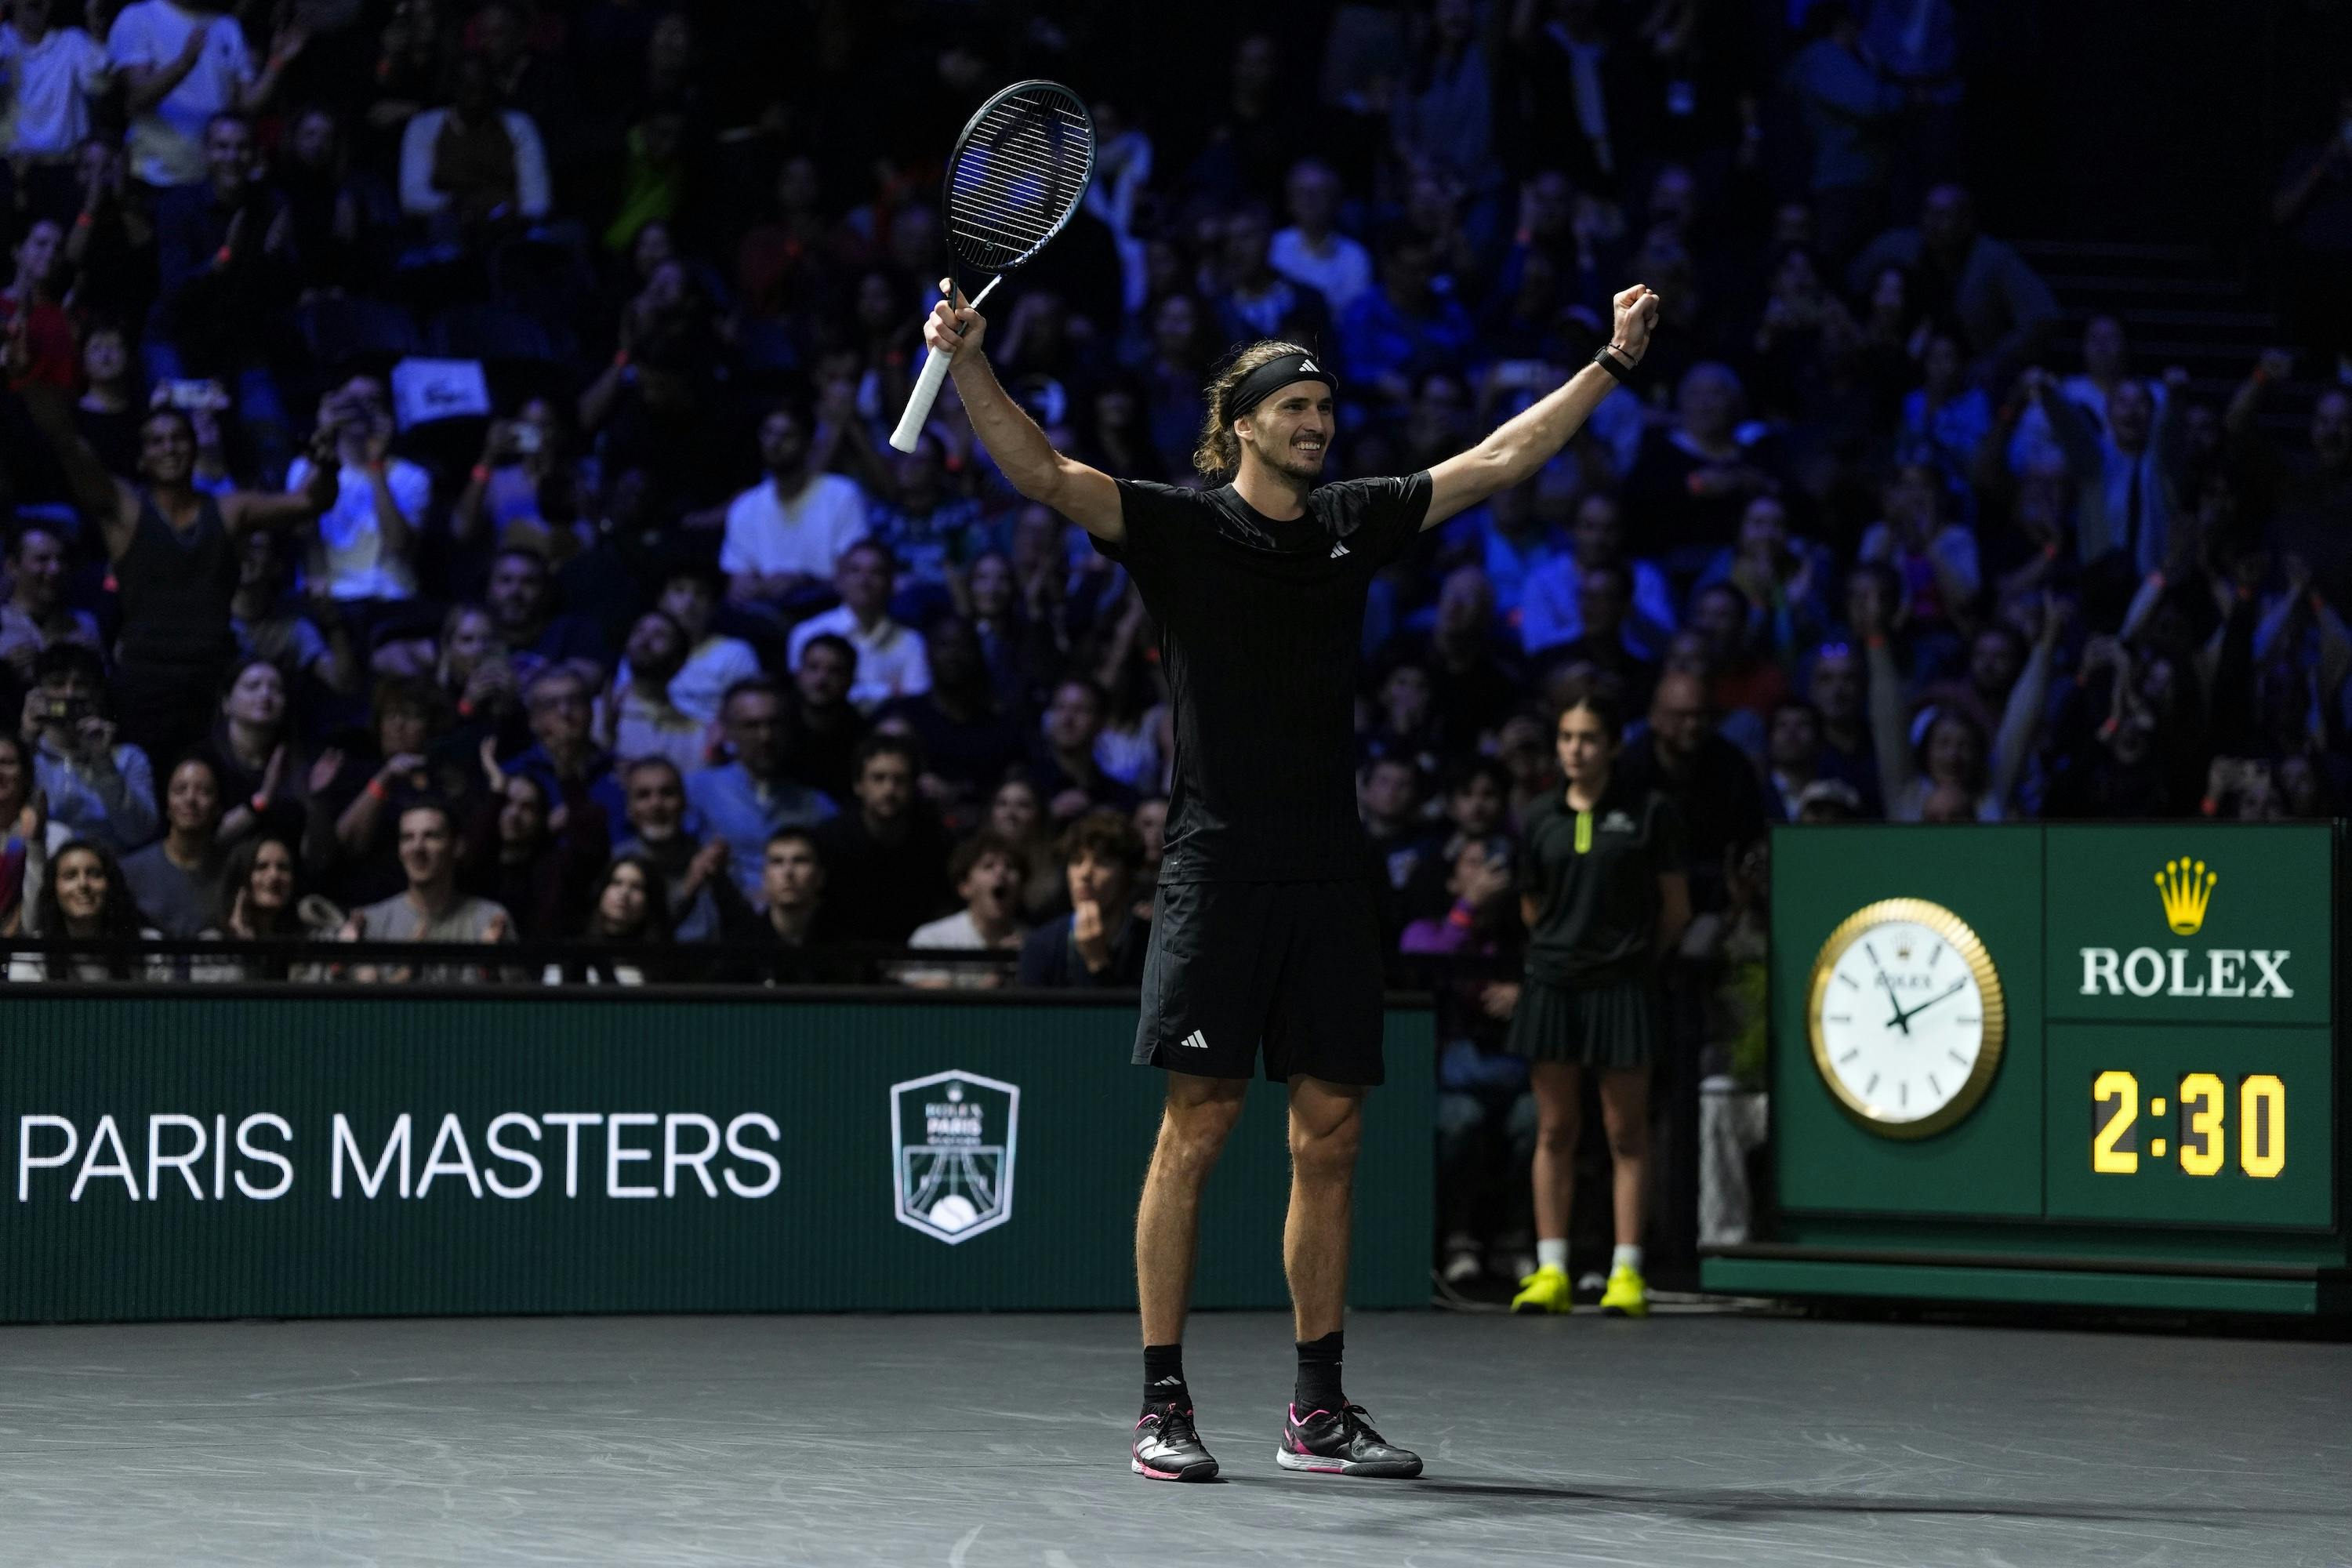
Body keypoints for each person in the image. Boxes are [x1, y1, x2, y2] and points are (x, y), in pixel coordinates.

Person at [924, 261, 1659, 1480]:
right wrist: (968, 363)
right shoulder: (1176, 526)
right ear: (1242, 426)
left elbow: (1498, 461)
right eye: (1297, 410)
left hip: (1327, 875)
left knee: (1330, 1137)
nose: (1320, 425)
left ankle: (1317, 1410)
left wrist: (1613, 363)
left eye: (1327, 410)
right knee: (1198, 1130)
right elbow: (1044, 474)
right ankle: (1163, 1401)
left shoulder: (1350, 523)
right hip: (1216, 869)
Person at [1504, 676, 1691, 1319]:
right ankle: (1552, 1269)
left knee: (1626, 1133)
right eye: (1566, 738)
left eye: (1588, 739)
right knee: (1555, 1129)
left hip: (1624, 988)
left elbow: (1675, 910)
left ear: (1613, 746)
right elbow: (1532, 907)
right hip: (1553, 985)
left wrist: (1628, 960)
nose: (1575, 750)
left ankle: (1626, 1273)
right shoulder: (1537, 816)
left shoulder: (1650, 813)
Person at [25, 393, 336, 771]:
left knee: (211, 792)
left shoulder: (228, 510)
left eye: (179, 438)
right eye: (157, 441)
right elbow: (67, 442)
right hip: (145, 681)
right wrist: (32, 382)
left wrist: (326, 465)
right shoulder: (127, 509)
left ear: (195, 448)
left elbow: (309, 502)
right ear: (142, 457)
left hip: (213, 677)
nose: (169, 448)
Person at [686, 676, 837, 907]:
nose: (765, 737)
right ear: (728, 731)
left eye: (774, 724)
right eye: (751, 725)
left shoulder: (816, 805)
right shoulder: (697, 791)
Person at [284, 376, 426, 607]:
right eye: (352, 401)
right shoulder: (303, 468)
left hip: (390, 600)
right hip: (326, 601)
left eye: (371, 401)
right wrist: (325, 436)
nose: (361, 410)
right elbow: (299, 529)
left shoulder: (412, 477)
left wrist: (376, 465)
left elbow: (399, 545)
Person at [720, 402, 869, 616]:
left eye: (787, 435)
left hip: (829, 607)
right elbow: (738, 586)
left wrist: (800, 581)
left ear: (808, 443)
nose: (775, 443)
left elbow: (850, 577)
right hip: (767, 614)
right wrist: (763, 588)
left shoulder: (842, 494)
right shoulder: (745, 507)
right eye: (768, 433)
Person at [342, 800, 514, 982]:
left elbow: (519, 1001)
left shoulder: (490, 919)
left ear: (457, 847)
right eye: (408, 837)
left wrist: (490, 968)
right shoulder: (370, 922)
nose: (417, 848)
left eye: (431, 836)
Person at [19, 642, 157, 853]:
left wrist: (103, 764)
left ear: (97, 694)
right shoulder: (26, 756)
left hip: (110, 871)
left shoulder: (129, 758)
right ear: (38, 692)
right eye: (58, 684)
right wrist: (25, 742)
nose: (69, 694)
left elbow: (140, 833)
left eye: (80, 684)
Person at [814, 733, 951, 942]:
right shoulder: (829, 842)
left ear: (913, 786)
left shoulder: (936, 843)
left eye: (900, 780)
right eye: (878, 778)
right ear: (858, 784)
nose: (889, 790)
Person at [785, 540, 931, 713]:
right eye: (855, 570)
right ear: (839, 580)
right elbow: (806, 698)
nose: (864, 581)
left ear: (892, 584)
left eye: (876, 572)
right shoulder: (807, 633)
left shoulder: (911, 642)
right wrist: (887, 692)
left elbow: (915, 705)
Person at [1018, 808, 1151, 988]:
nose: (1085, 874)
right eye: (1077, 861)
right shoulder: (1041, 946)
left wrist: (1097, 963)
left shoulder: (1153, 945)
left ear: (1127, 875)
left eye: (1101, 862)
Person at [9, 837, 162, 981]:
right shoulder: (31, 956)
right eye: (70, 875)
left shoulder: (150, 949)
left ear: (111, 885)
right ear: (53, 889)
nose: (83, 884)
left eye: (94, 874)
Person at [118, 753, 226, 938]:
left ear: (217, 807)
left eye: (204, 791)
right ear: (167, 803)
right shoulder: (130, 871)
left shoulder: (232, 870)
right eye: (180, 790)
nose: (190, 799)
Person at [901, 830, 1026, 989]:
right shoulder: (933, 939)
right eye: (988, 866)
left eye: (1010, 866)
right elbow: (942, 1009)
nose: (1001, 872)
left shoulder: (1036, 943)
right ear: (965, 886)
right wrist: (998, 972)